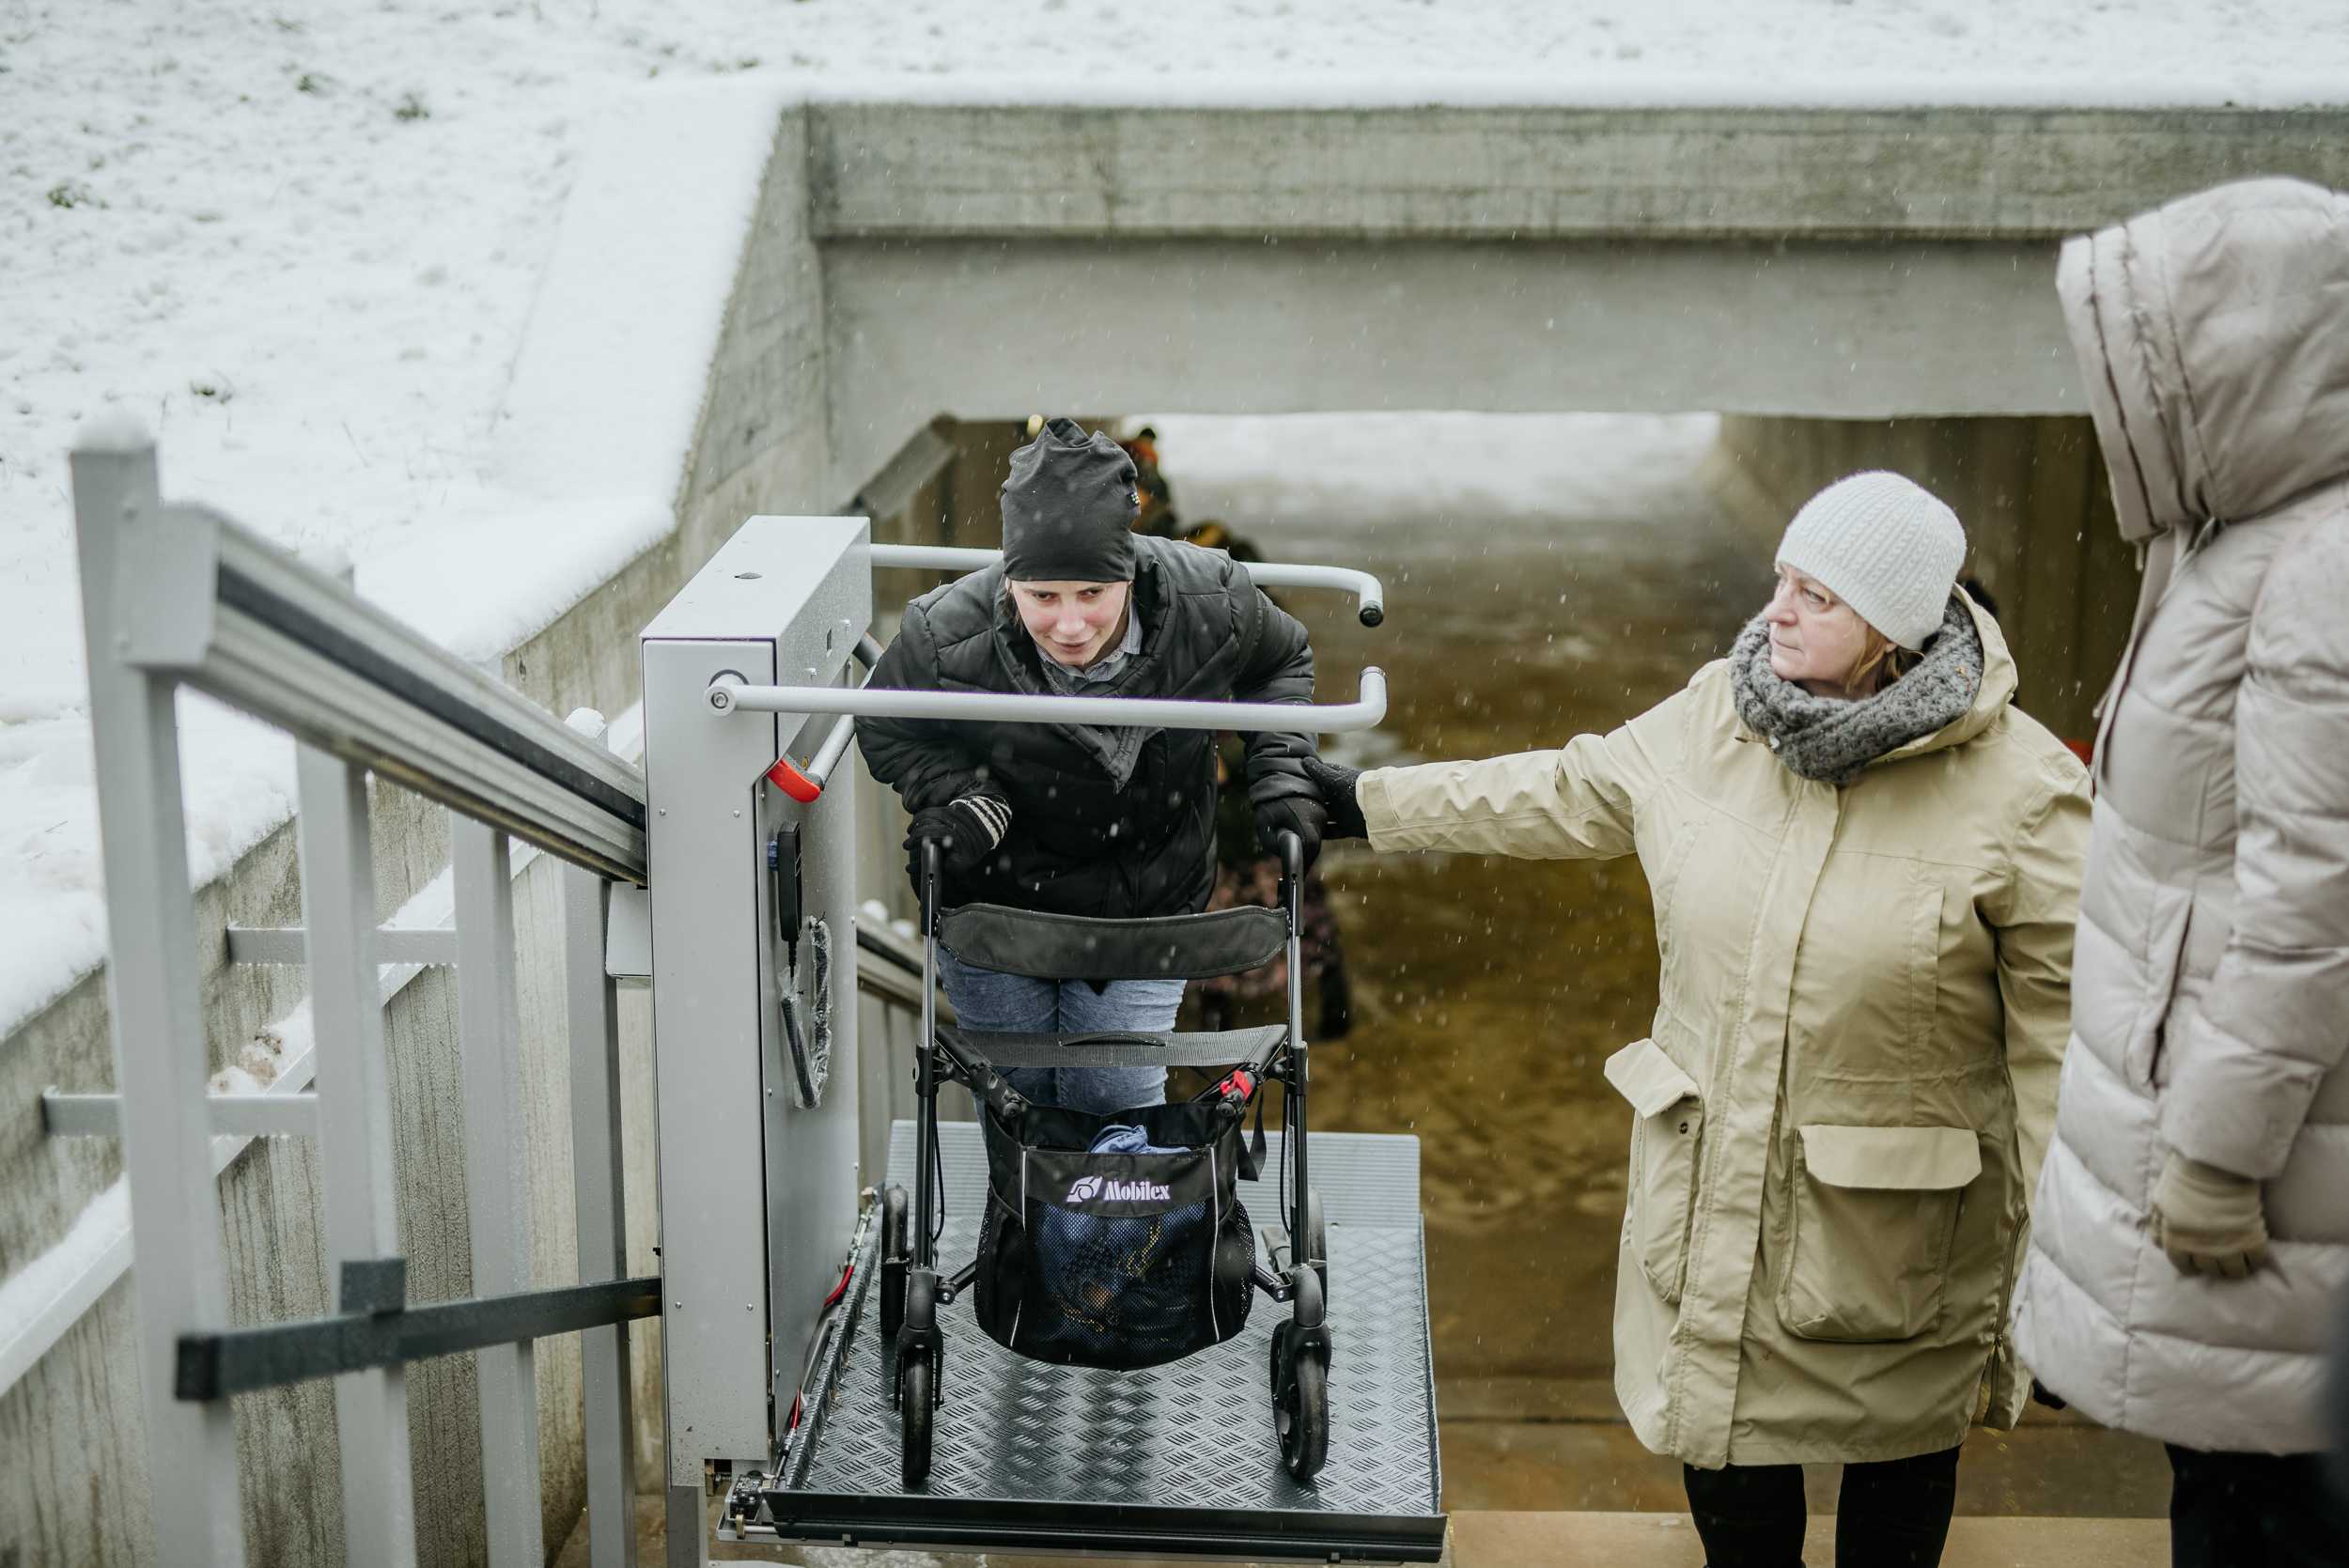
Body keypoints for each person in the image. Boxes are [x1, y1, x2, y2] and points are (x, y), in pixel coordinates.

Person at [1307, 472, 2091, 1567]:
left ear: (1892, 629)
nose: (1775, 608)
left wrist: (2071, 1274)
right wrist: (1363, 804)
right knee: (1731, 1487)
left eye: (1816, 595)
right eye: (1781, 577)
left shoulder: (2024, 793)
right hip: (1712, 1212)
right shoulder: (1717, 714)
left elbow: (2066, 1052)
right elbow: (1567, 790)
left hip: (1902, 1248)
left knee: (1900, 1489)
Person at [2007, 176, 2349, 1565]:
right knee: (2229, 1496)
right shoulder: (2254, 540)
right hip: (2249, 1155)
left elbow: (2314, 903)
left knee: (2267, 1516)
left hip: (2271, 1180)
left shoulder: (2320, 571)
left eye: (2151, 370)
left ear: (2246, 368)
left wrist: (2214, 1155)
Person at [858, 417, 1328, 1114]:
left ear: (1130, 569)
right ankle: (1023, 1213)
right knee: (1022, 1106)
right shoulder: (943, 633)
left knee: (1111, 1098)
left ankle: (1113, 1222)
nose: (1070, 625)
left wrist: (1281, 768)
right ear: (1009, 575)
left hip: (1145, 899)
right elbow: (886, 722)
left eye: (1093, 594)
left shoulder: (1209, 600)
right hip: (998, 906)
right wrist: (966, 795)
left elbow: (1284, 658)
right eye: (1042, 596)